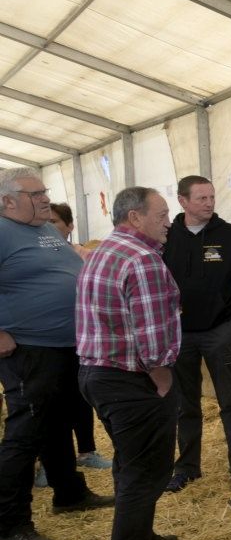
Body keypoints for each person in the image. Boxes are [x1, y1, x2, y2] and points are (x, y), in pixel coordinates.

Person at [0, 168, 115, 540]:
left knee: (60, 419)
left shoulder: (45, 229)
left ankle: (68, 493)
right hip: (29, 348)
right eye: (35, 194)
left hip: (68, 343)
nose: (46, 199)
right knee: (25, 431)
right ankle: (11, 522)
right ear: (7, 201)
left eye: (45, 191)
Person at [77, 186, 183, 540]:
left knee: (128, 462)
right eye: (161, 214)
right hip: (131, 380)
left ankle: (140, 538)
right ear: (135, 217)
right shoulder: (143, 260)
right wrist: (162, 377)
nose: (168, 221)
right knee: (146, 471)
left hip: (95, 374)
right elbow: (152, 337)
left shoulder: (103, 250)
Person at [162, 176, 231, 492]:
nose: (209, 203)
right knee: (185, 405)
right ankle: (187, 468)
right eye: (201, 198)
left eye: (212, 197)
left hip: (220, 331)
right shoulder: (165, 239)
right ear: (183, 201)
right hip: (180, 335)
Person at [47, 202, 112, 472]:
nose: (48, 226)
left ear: (69, 226)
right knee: (51, 400)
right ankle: (48, 462)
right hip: (46, 339)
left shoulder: (83, 255)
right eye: (45, 221)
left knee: (82, 394)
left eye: (55, 222)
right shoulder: (32, 254)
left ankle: (87, 450)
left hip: (81, 336)